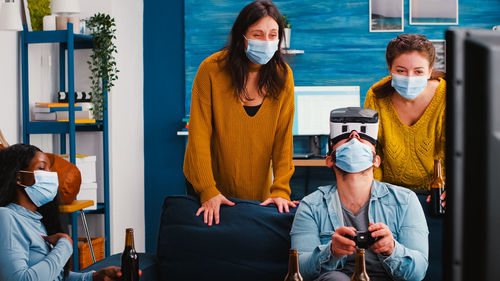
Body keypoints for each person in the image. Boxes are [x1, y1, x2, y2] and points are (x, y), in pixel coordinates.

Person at [183, 0, 297, 226]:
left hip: (257, 187)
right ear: (241, 36)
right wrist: (208, 190)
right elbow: (199, 134)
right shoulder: (211, 69)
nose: (266, 41)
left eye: (273, 35)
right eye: (257, 34)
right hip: (208, 185)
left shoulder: (283, 76)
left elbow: (283, 139)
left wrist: (281, 189)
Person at [290, 107, 428, 281]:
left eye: (363, 136)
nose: (354, 137)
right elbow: (299, 270)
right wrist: (331, 251)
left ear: (376, 160)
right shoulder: (311, 206)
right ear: (330, 160)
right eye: (345, 137)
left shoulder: (405, 201)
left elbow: (418, 272)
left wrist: (392, 248)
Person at [0, 144, 122, 281]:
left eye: (50, 169)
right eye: (41, 168)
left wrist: (93, 277)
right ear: (18, 177)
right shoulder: (6, 217)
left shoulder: (36, 221)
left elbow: (52, 276)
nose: (50, 175)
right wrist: (65, 245)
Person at [364, 34, 446, 193]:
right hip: (388, 192)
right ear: (390, 69)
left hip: (436, 193)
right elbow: (372, 150)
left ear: (430, 71)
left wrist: (453, 186)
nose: (410, 78)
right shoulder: (375, 96)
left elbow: (455, 151)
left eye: (418, 71)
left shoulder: (447, 96)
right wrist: (375, 191)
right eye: (401, 70)